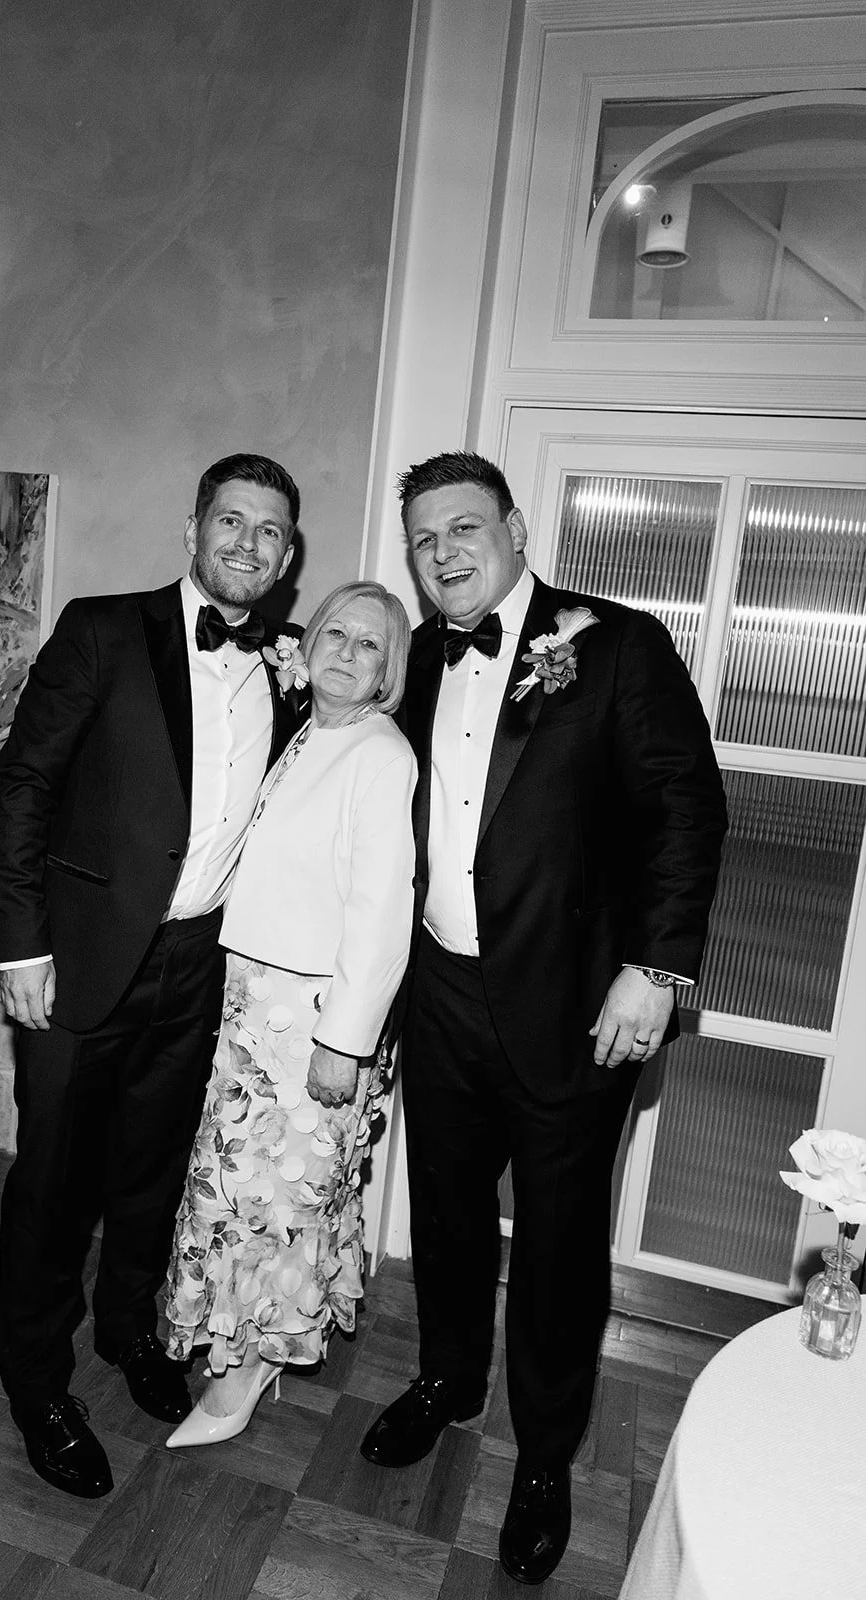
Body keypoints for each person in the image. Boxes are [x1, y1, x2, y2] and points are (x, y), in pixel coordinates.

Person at [359, 452, 727, 1585]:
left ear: (515, 530)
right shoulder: (414, 659)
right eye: (422, 539)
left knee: (562, 1244)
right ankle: (445, 1378)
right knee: (450, 1210)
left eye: (463, 527)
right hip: (442, 989)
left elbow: (684, 807)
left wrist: (652, 971)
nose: (443, 553)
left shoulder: (614, 643)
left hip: (577, 1004)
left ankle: (545, 1456)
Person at [0, 453, 307, 1498]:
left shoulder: (293, 670)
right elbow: (24, 783)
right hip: (75, 959)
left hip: (196, 963)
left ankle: (129, 1333)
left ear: (288, 554)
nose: (247, 543)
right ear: (191, 529)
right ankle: (36, 1382)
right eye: (230, 521)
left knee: (150, 1174)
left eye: (268, 530)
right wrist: (18, 944)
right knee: (52, 1184)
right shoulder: (101, 628)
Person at [162, 580, 417, 1446]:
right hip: (252, 1005)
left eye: (369, 644)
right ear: (306, 646)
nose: (346, 651)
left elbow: (382, 914)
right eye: (334, 633)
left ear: (389, 672)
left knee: (271, 1201)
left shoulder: (381, 755)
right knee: (241, 1195)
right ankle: (247, 1347)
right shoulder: (309, 733)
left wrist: (342, 1042)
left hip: (312, 1017)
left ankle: (240, 1372)